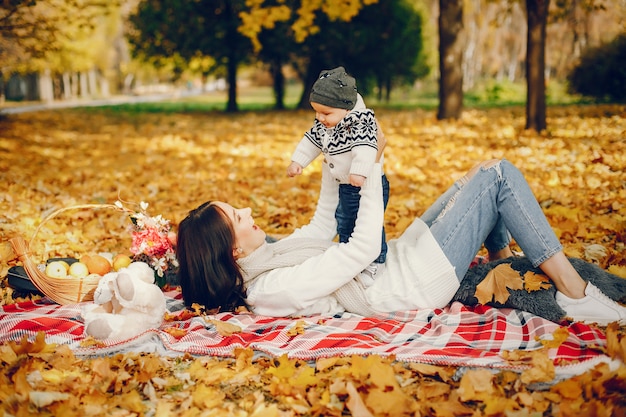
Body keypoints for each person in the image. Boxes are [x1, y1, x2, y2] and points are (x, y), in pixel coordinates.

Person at [175, 126, 626, 325]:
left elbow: (319, 225)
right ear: (233, 251)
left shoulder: (269, 256)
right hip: (408, 283)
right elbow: (360, 249)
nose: (248, 212)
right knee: (499, 176)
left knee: (476, 175)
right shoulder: (271, 288)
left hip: (401, 262)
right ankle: (575, 293)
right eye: (238, 217)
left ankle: (502, 264)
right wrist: (371, 165)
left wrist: (339, 153)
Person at [286, 66, 389, 279]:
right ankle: (348, 258)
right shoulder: (327, 123)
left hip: (363, 183)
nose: (320, 118)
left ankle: (376, 262)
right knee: (345, 221)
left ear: (346, 108)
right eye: (316, 112)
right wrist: (298, 161)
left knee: (366, 222)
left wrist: (360, 172)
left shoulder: (360, 122)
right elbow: (311, 141)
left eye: (325, 113)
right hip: (346, 184)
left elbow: (367, 147)